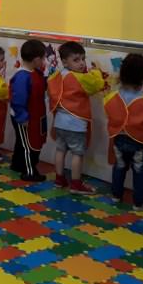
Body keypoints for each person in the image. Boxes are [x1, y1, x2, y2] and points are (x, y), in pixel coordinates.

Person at [104, 53, 143, 212]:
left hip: (119, 139)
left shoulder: (110, 98)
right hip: (140, 143)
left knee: (119, 167)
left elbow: (109, 115)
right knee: (139, 172)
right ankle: (139, 202)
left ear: (121, 76)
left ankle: (116, 195)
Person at [48, 41, 104, 195]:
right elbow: (96, 85)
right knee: (77, 154)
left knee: (60, 150)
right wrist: (96, 72)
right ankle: (76, 184)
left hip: (59, 122)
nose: (81, 63)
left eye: (83, 59)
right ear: (65, 61)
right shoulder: (81, 78)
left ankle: (59, 179)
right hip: (76, 124)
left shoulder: (57, 76)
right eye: (76, 60)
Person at [9, 39, 49, 180]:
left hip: (35, 115)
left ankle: (17, 164)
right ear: (36, 60)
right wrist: (22, 118)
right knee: (28, 145)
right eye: (43, 58)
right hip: (24, 118)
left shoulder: (35, 72)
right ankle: (30, 172)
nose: (44, 61)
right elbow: (17, 100)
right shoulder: (22, 77)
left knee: (23, 143)